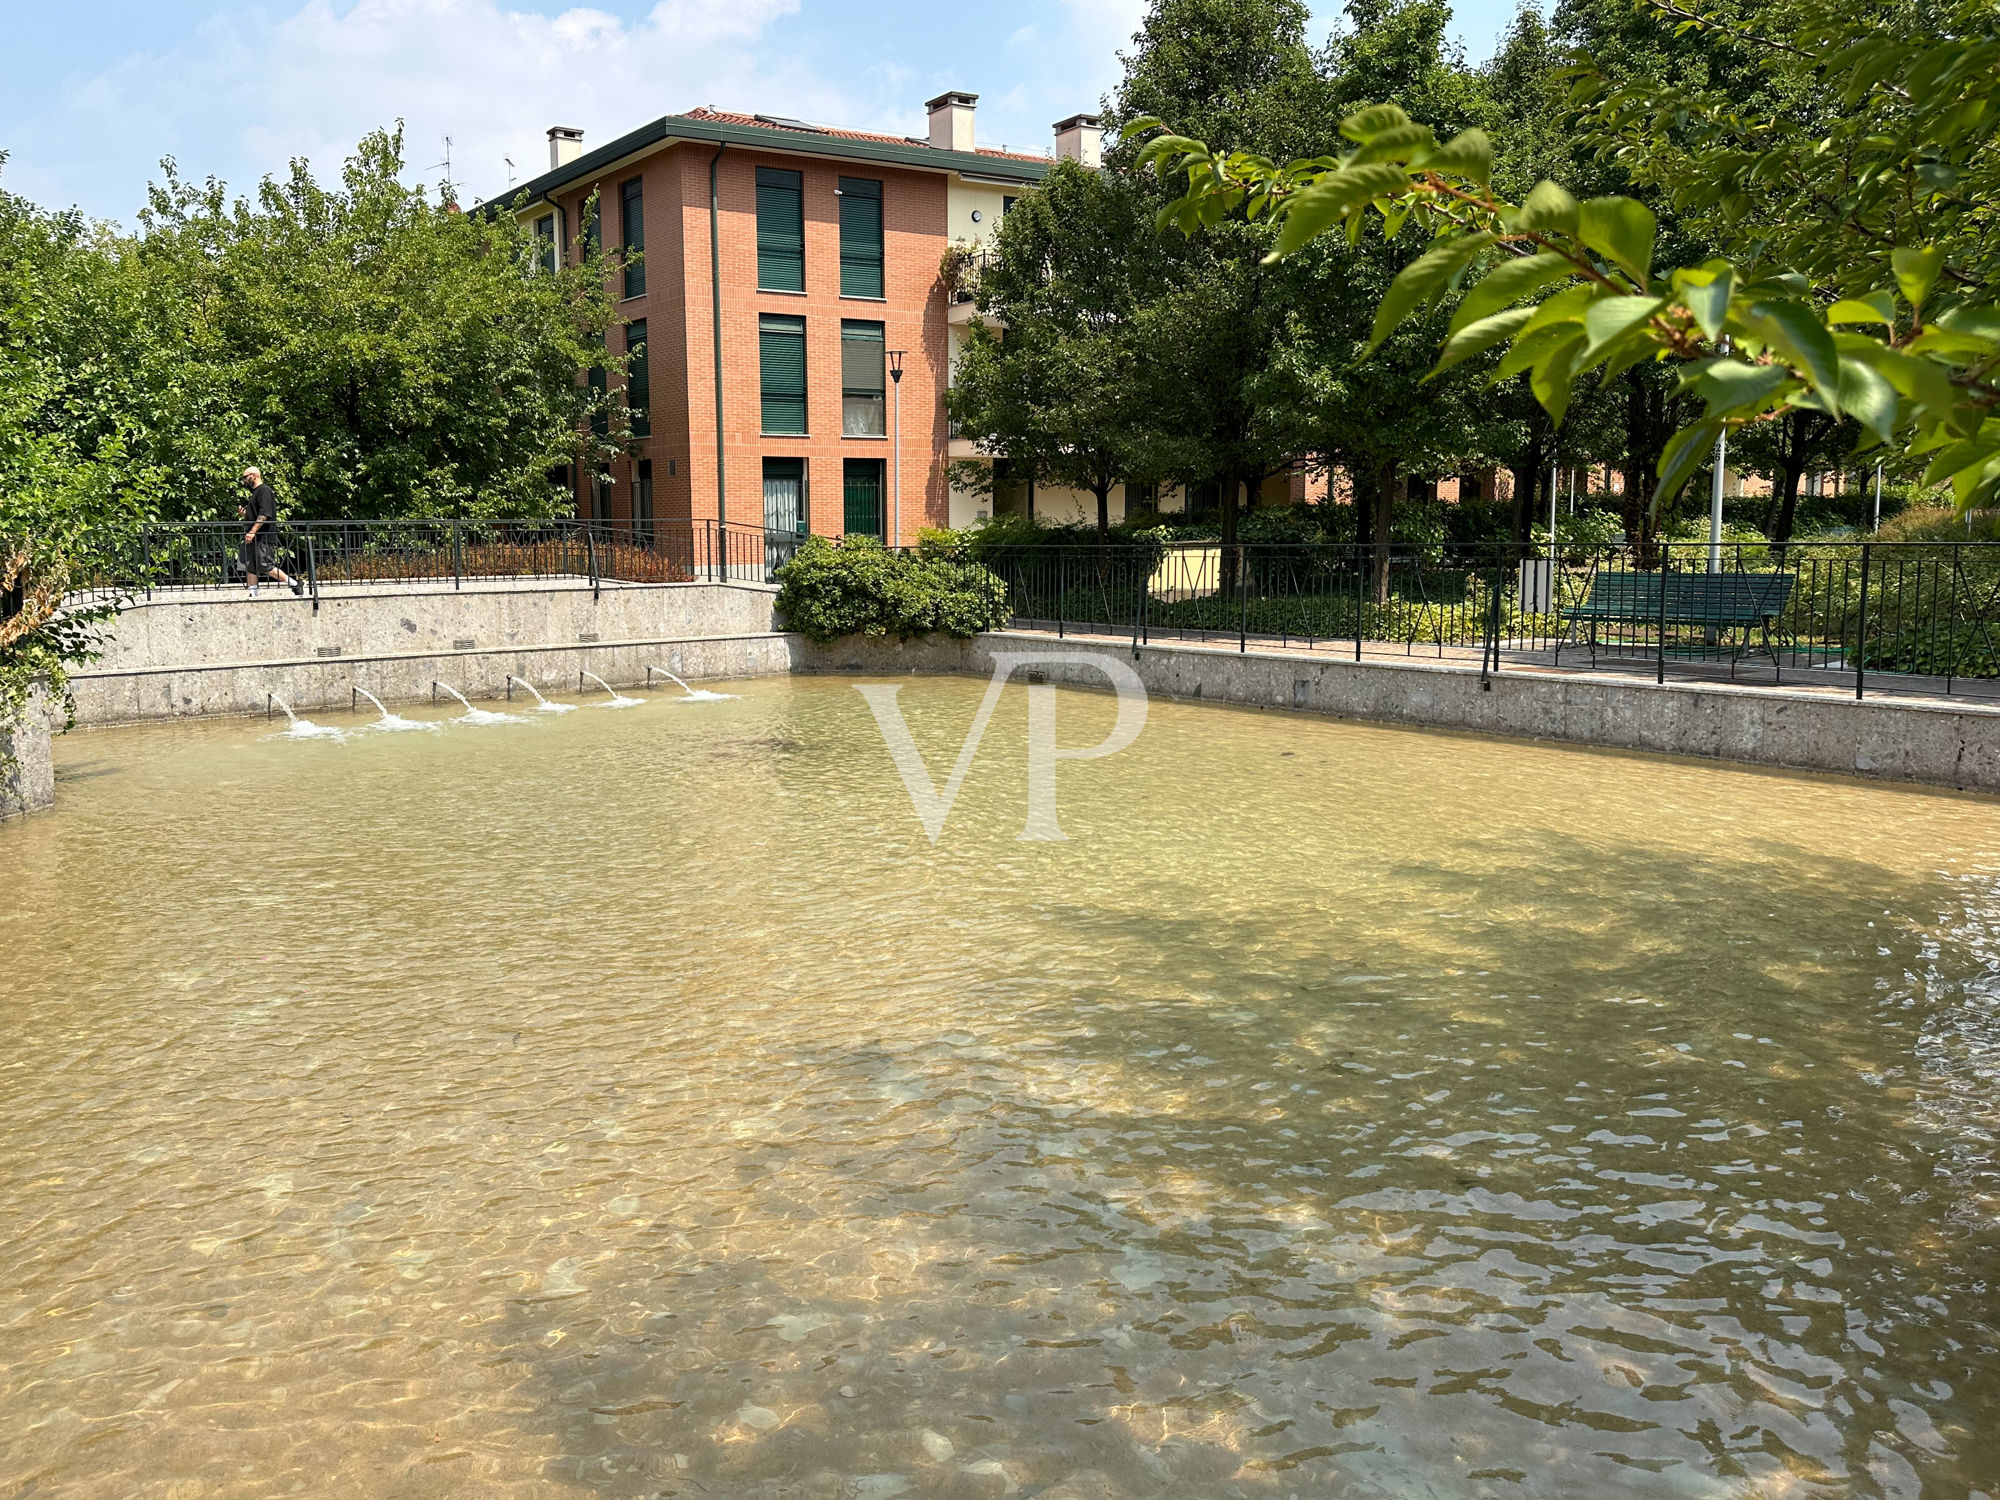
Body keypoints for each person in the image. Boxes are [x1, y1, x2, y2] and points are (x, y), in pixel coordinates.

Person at [239, 468, 304, 597]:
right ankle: (253, 594)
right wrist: (245, 514)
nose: (244, 481)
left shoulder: (264, 491)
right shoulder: (256, 492)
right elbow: (257, 514)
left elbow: (264, 514)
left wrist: (252, 532)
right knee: (250, 566)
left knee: (266, 565)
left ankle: (294, 583)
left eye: (245, 477)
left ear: (254, 476)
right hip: (254, 536)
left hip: (263, 536)